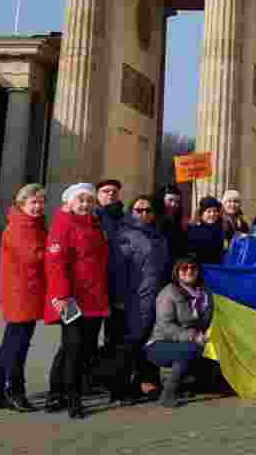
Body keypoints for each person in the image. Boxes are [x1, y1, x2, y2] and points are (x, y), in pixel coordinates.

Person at [44, 183, 109, 419]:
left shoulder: (95, 224)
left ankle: (58, 392)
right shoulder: (63, 224)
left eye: (89, 200)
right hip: (71, 299)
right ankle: (71, 398)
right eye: (80, 200)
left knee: (83, 347)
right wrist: (61, 296)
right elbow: (55, 263)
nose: (85, 204)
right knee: (73, 347)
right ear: (70, 202)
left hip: (94, 298)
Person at [0, 183, 47, 412]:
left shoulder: (34, 224)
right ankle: (14, 391)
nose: (38, 207)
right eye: (33, 202)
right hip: (20, 294)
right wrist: (54, 251)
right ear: (22, 203)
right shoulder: (19, 227)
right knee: (17, 346)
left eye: (41, 202)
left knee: (10, 345)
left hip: (28, 292)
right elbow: (33, 256)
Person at [112, 195, 171, 402]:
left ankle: (145, 383)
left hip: (156, 296)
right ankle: (121, 388)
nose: (144, 214)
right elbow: (119, 269)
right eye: (139, 210)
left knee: (149, 341)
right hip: (134, 298)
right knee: (130, 343)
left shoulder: (158, 235)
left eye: (148, 210)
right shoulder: (125, 234)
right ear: (131, 212)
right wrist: (120, 298)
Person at [145, 257, 218, 408]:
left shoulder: (206, 294)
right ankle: (168, 394)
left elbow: (204, 323)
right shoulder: (168, 293)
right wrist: (193, 336)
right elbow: (165, 326)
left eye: (193, 268)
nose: (189, 271)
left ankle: (183, 386)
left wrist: (201, 336)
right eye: (184, 268)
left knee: (214, 373)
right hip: (159, 345)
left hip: (191, 344)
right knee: (188, 350)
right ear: (177, 272)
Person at [94, 179, 127, 352]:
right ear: (97, 195)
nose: (110, 194)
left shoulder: (125, 217)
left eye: (114, 191)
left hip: (118, 281)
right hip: (96, 281)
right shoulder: (91, 215)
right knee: (87, 335)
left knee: (115, 334)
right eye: (106, 191)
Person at [187, 197, 227, 266]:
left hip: (217, 267)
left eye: (215, 211)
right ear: (202, 213)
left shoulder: (221, 227)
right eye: (208, 211)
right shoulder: (194, 229)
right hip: (200, 267)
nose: (212, 214)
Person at [156, 185, 189, 263]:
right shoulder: (153, 220)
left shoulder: (179, 223)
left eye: (177, 202)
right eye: (170, 200)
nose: (173, 204)